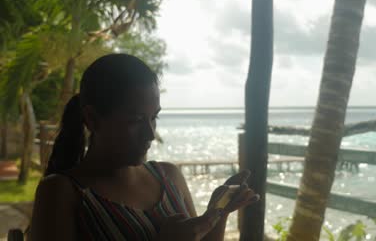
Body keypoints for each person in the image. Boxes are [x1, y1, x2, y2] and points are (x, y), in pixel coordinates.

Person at [29, 54, 259, 240]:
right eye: (136, 120)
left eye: (153, 118)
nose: (150, 133)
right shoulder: (62, 192)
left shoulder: (169, 176)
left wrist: (217, 214)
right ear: (93, 119)